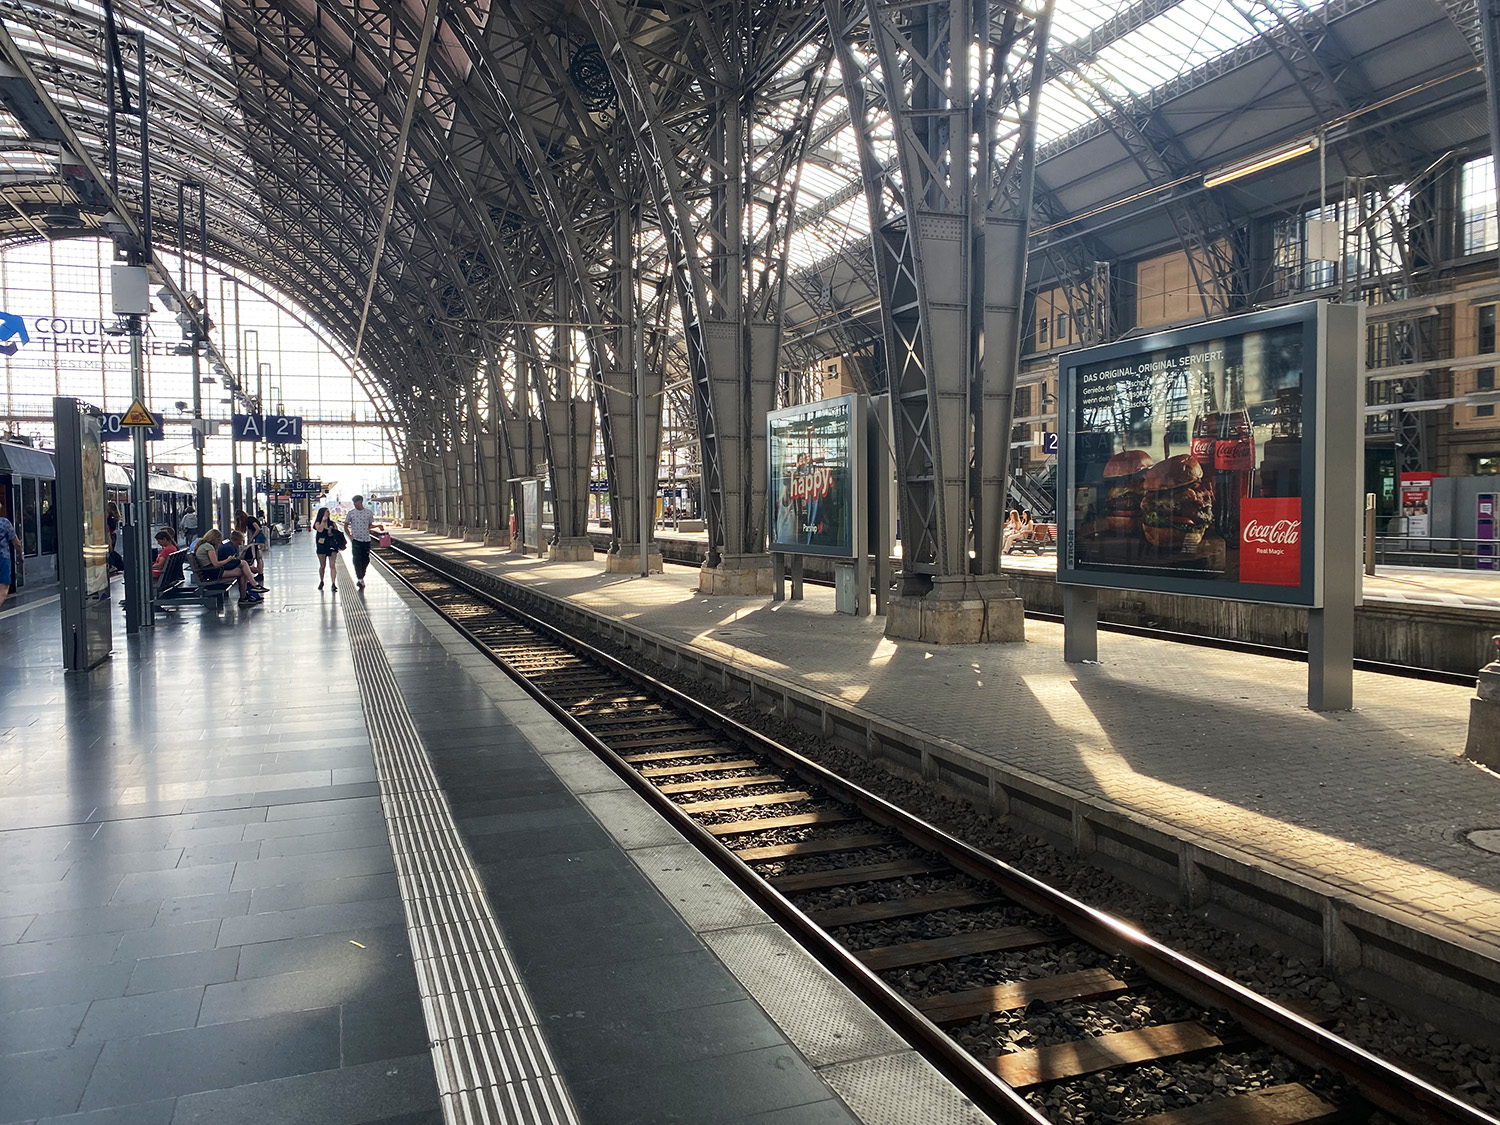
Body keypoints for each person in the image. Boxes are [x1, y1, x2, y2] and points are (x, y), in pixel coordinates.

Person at [192, 529, 260, 604]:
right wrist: (228, 559)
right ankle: (248, 592)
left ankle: (246, 594)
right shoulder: (209, 547)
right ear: (214, 538)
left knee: (243, 569)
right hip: (213, 572)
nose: (219, 542)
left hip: (209, 571)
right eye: (218, 539)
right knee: (243, 570)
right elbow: (216, 564)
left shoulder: (204, 545)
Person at [344, 495, 384, 590]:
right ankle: (360, 578)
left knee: (366, 559)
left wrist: (378, 526)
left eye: (356, 502)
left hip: (366, 540)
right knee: (357, 559)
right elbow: (346, 525)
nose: (355, 504)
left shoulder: (368, 513)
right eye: (354, 502)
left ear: (361, 501)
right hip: (356, 540)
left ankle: (362, 575)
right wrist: (350, 536)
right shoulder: (351, 513)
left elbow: (369, 526)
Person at [314, 506, 341, 591]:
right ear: (322, 513)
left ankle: (333, 583)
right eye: (327, 512)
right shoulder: (317, 523)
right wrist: (323, 521)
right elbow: (320, 530)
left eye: (329, 512)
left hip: (331, 545)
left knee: (332, 565)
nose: (328, 513)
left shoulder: (332, 524)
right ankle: (321, 581)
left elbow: (337, 533)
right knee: (322, 566)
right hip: (321, 546)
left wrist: (333, 533)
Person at [0, 512, 16, 610]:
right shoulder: (4, 522)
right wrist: (20, 554)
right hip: (2, 558)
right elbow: (15, 541)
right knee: (4, 587)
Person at [105, 502, 125, 573]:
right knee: (111, 551)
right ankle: (115, 565)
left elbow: (108, 529)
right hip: (113, 535)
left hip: (110, 536)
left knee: (110, 551)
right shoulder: (114, 518)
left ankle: (113, 565)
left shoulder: (109, 518)